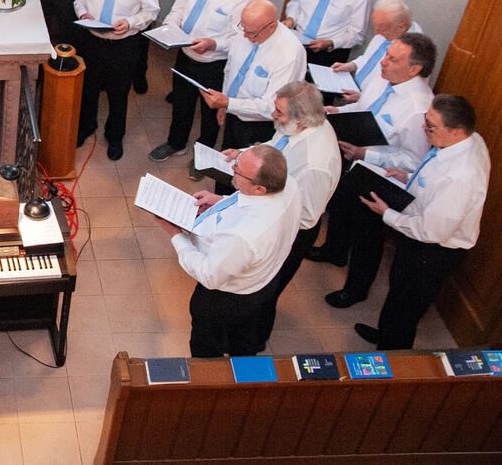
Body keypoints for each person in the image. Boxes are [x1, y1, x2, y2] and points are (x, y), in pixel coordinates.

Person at [353, 95, 489, 350]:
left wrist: (386, 213)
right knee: (397, 292)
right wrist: (408, 178)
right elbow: (433, 188)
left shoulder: (460, 177)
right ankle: (386, 333)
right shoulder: (464, 141)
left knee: (407, 304)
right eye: (426, 120)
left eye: (431, 126)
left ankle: (392, 355)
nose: (423, 129)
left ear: (457, 130)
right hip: (421, 230)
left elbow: (430, 231)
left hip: (432, 250)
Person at [312, 33, 437, 308]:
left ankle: (356, 288)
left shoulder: (418, 108)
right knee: (341, 206)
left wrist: (366, 154)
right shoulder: (386, 79)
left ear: (414, 69)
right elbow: (366, 108)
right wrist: (340, 111)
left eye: (393, 58)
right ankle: (334, 250)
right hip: (353, 157)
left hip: (379, 174)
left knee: (367, 233)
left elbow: (414, 161)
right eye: (386, 53)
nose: (383, 62)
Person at [217, 82, 341, 351]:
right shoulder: (297, 129)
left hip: (291, 231)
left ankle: (253, 341)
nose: (273, 115)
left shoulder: (314, 163)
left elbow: (306, 215)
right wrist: (244, 155)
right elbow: (276, 148)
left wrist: (259, 213)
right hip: (272, 213)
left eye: (279, 112)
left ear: (302, 118)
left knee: (264, 290)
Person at [156, 145, 301, 357]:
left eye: (239, 170)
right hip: (264, 280)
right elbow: (245, 203)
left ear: (260, 188)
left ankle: (213, 383)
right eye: (238, 161)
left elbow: (209, 275)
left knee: (208, 345)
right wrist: (220, 201)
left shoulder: (243, 234)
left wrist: (176, 234)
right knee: (245, 336)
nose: (233, 167)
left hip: (227, 299)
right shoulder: (290, 185)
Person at [149, 0, 253, 177]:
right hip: (185, 55)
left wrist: (213, 43)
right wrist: (169, 29)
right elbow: (177, 10)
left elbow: (239, 38)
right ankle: (176, 143)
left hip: (213, 64)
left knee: (209, 114)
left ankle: (204, 156)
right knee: (181, 103)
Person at [74, 0, 158, 161]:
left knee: (118, 93)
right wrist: (82, 14)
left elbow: (151, 11)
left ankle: (115, 136)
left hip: (123, 44)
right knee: (88, 87)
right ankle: (86, 126)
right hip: (92, 38)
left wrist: (130, 22)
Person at [201, 0, 307, 160]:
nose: (244, 35)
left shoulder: (289, 54)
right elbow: (231, 69)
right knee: (226, 161)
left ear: (271, 26)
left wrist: (228, 103)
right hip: (234, 110)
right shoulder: (247, 32)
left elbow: (273, 106)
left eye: (251, 33)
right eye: (242, 28)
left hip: (260, 125)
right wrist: (225, 105)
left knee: (249, 170)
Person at [331, 0, 420, 98]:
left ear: (401, 27)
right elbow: (368, 59)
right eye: (375, 26)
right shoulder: (389, 31)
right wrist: (351, 65)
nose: (376, 32)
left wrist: (362, 98)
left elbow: (394, 91)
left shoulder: (412, 52)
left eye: (381, 29)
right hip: (354, 90)